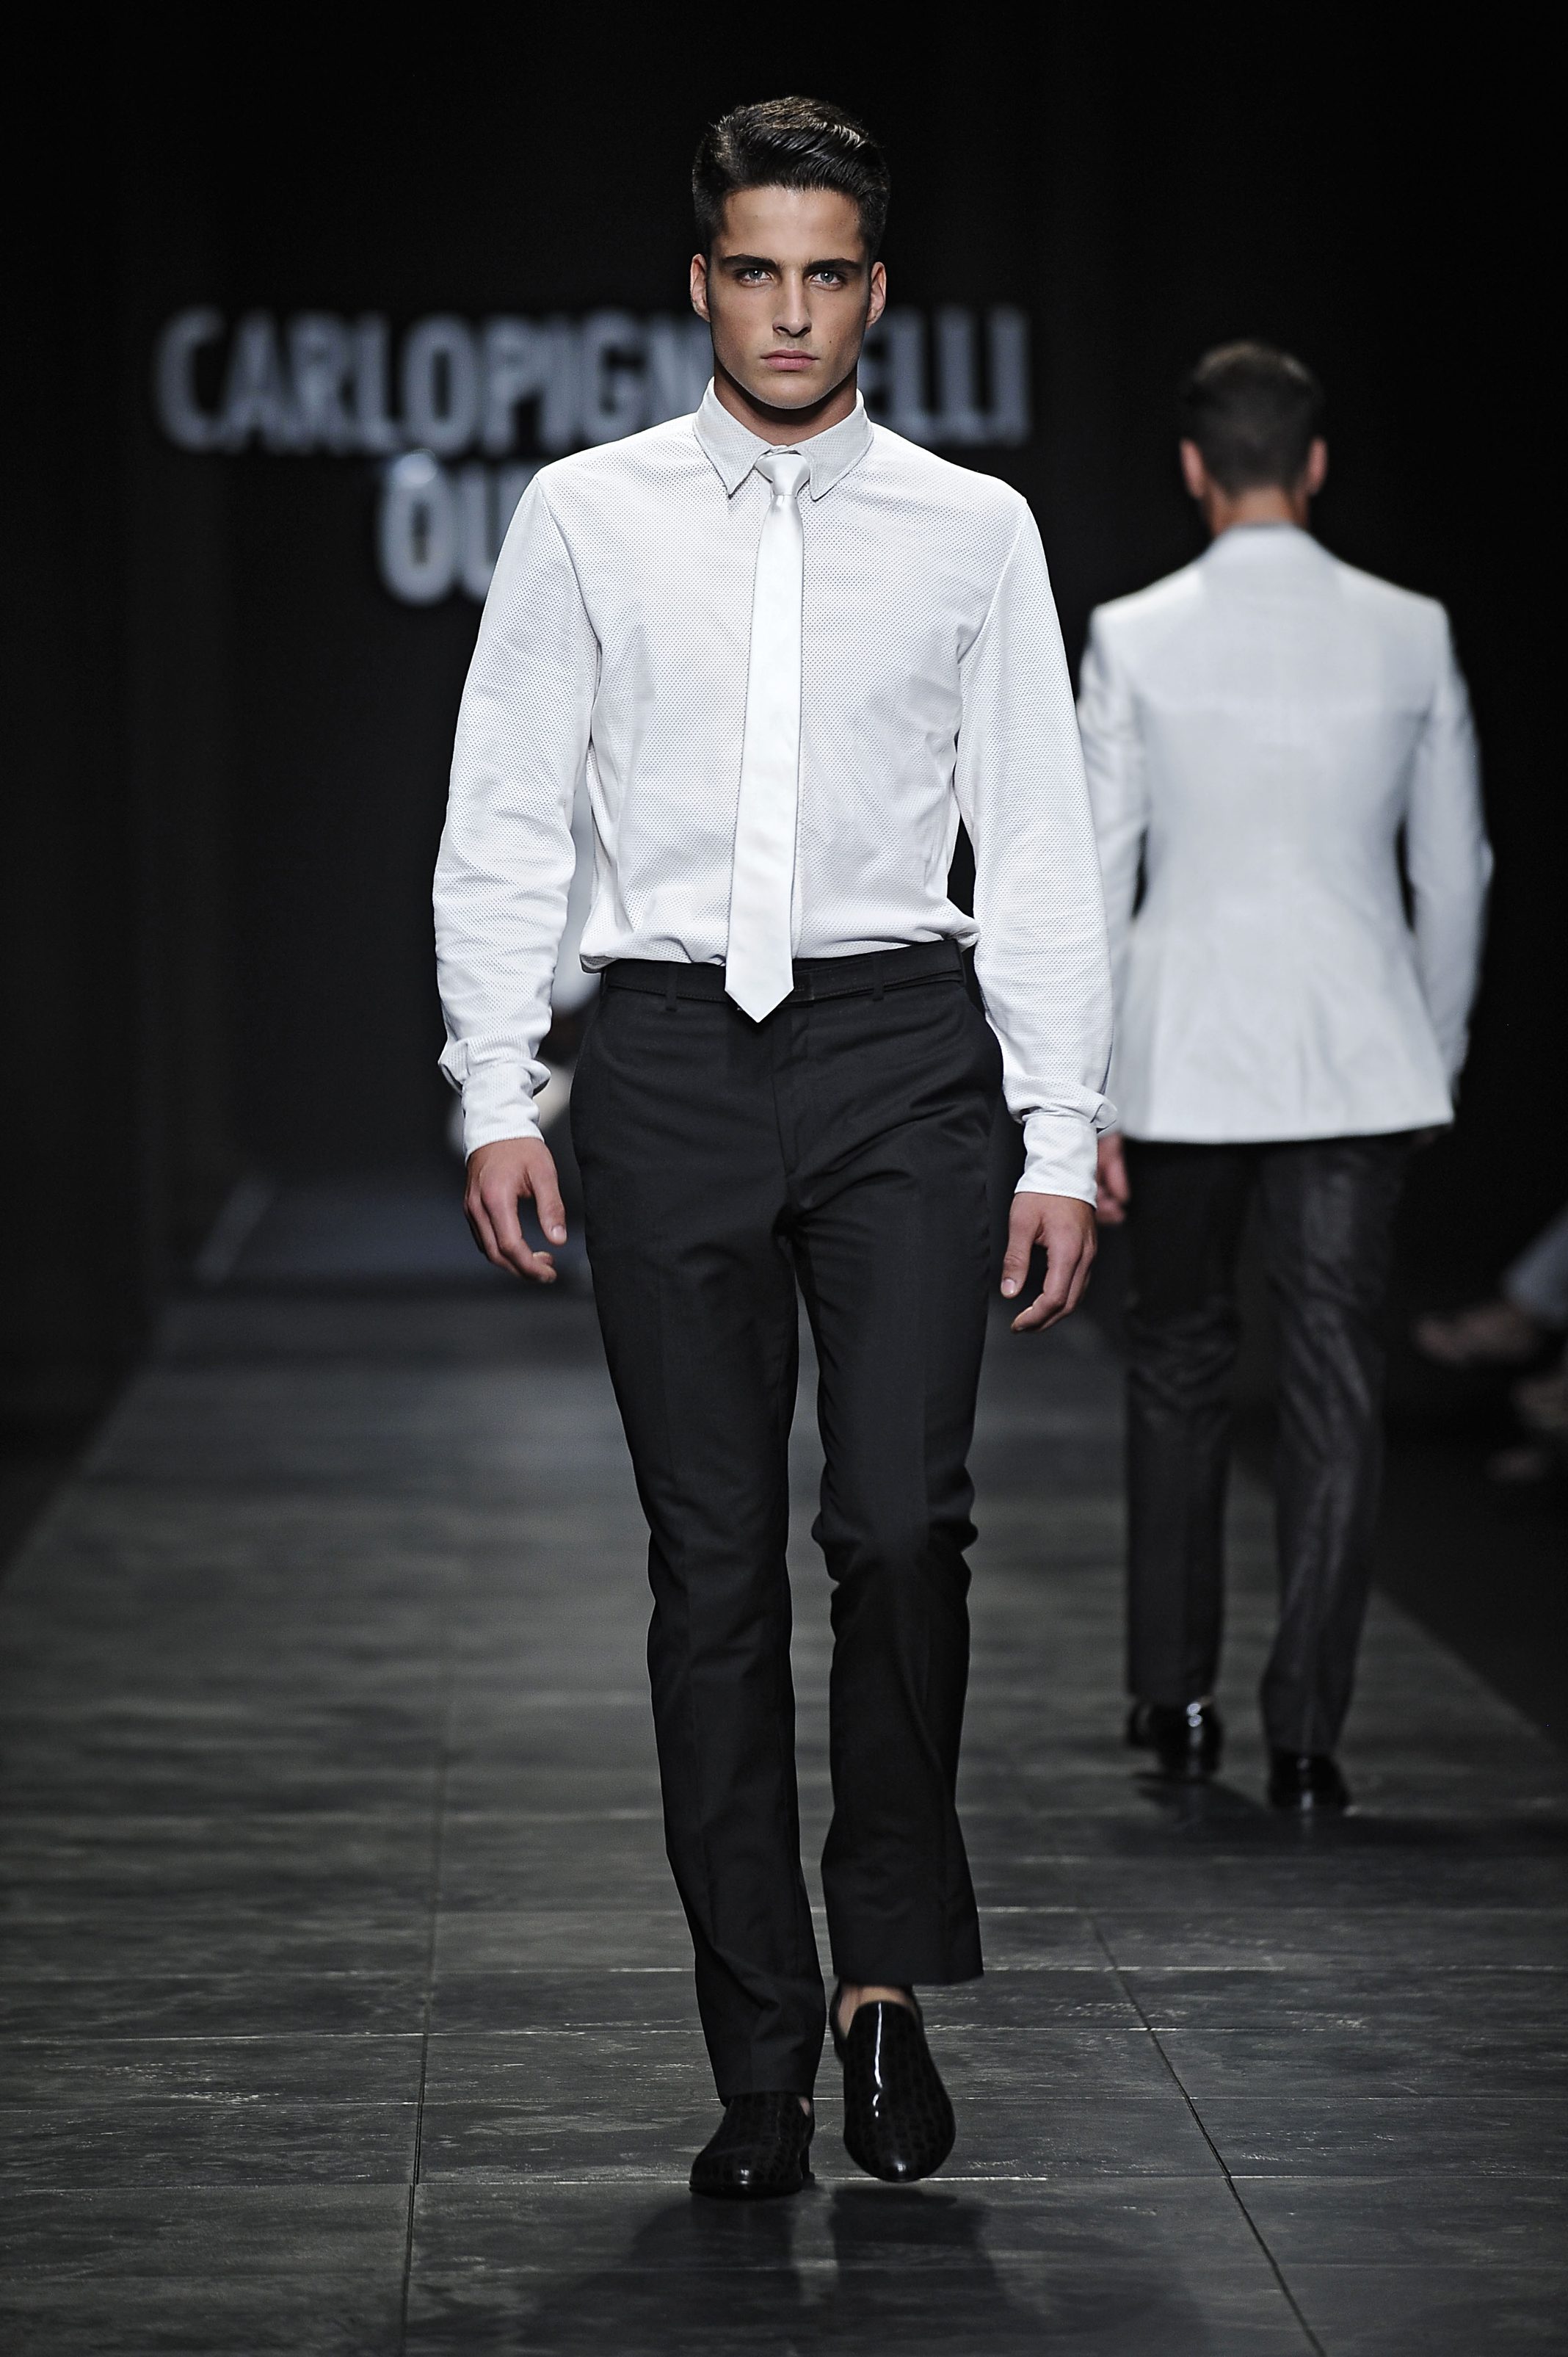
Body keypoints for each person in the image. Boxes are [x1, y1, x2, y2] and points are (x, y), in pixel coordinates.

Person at [433, 98, 1113, 2196]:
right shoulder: (585, 515)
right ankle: (760, 2058)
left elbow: (1040, 837)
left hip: (905, 1046)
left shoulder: (973, 529)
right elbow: (506, 808)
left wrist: (1063, 1124)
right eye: (757, 273)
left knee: (901, 1527)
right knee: (712, 1574)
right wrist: (495, 1085)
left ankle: (881, 1975)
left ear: (876, 291)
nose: (792, 312)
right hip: (660, 1061)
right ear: (702, 284)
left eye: (828, 275)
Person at [1079, 343, 1491, 1811]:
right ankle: (1307, 1726)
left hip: (1181, 1054)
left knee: (1179, 1365)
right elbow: (1456, 870)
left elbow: (1097, 873)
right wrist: (1428, 1049)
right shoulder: (1411, 630)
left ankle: (1174, 1693)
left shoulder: (1133, 634)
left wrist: (1083, 1088)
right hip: (1355, 1052)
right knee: (1332, 1379)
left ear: (1194, 469)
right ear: (1316, 465)